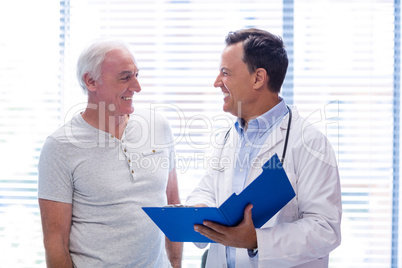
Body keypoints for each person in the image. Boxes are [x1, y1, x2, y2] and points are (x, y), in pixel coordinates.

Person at [185, 28, 342, 267]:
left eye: (225, 73)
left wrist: (257, 240)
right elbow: (207, 189)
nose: (217, 82)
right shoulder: (230, 136)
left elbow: (325, 229)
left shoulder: (310, 143)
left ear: (258, 78)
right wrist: (201, 207)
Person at [38, 39, 182, 267]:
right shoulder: (60, 147)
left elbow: (173, 205)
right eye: (125, 77)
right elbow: (55, 242)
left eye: (137, 75)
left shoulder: (159, 126)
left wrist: (175, 264)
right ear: (91, 81)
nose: (137, 86)